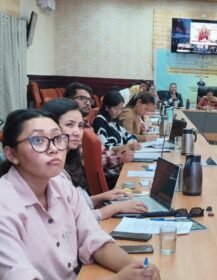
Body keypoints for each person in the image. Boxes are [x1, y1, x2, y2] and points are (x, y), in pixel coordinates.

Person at [0, 109, 159, 279]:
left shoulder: (60, 184)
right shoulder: (5, 204)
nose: (53, 148)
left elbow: (94, 239)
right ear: (12, 154)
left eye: (57, 138)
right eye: (38, 140)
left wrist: (138, 270)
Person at [43, 99, 149, 221]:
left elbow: (75, 204)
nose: (77, 132)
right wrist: (117, 208)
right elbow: (73, 220)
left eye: (80, 125)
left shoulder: (70, 159)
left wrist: (101, 197)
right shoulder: (51, 169)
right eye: (69, 125)